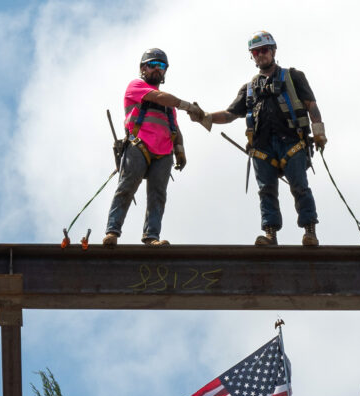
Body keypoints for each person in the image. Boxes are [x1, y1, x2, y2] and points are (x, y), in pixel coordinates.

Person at [197, 31, 327, 246]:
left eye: (263, 50)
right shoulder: (249, 89)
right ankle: (270, 235)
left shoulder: (293, 77)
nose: (260, 55)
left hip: (292, 141)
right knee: (266, 192)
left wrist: (319, 131)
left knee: (299, 187)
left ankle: (310, 232)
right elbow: (231, 114)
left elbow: (311, 105)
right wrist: (205, 117)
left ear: (273, 51)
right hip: (262, 147)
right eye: (255, 52)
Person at [103, 48, 204, 247]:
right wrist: (188, 106)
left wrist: (180, 150)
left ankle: (151, 237)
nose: (157, 70)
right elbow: (159, 98)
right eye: (153, 65)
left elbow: (174, 127)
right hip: (139, 145)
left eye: (162, 66)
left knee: (158, 195)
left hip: (164, 152)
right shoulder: (137, 87)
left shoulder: (168, 104)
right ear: (143, 68)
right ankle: (112, 232)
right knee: (127, 186)